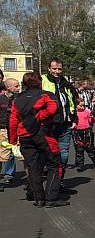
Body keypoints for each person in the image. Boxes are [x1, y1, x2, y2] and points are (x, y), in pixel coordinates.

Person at [8, 72, 67, 207]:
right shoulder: (46, 95)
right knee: (54, 163)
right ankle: (51, 197)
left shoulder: (18, 99)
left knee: (33, 167)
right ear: (39, 81)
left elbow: (12, 121)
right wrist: (39, 117)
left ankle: (38, 198)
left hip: (24, 136)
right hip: (43, 133)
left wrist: (12, 140)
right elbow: (53, 109)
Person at [41, 58, 78, 172]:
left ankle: (59, 180)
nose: (57, 71)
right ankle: (49, 180)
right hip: (49, 123)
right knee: (47, 153)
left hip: (65, 123)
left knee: (63, 154)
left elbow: (72, 101)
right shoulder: (42, 80)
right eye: (54, 69)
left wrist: (74, 119)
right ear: (49, 69)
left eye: (59, 69)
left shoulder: (64, 82)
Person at [0, 77, 20, 189]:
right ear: (8, 87)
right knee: (1, 155)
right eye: (16, 86)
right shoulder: (1, 99)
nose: (19, 88)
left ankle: (9, 174)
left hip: (16, 129)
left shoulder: (19, 99)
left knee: (18, 154)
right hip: (3, 129)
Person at [73, 98, 95, 171]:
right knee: (79, 149)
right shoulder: (74, 113)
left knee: (90, 148)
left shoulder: (87, 112)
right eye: (80, 106)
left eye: (83, 106)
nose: (82, 107)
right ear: (76, 105)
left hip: (87, 131)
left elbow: (91, 122)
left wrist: (91, 118)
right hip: (77, 132)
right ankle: (80, 165)